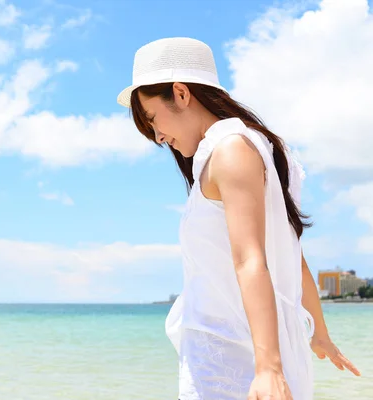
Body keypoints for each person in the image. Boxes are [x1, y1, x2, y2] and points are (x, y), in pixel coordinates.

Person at [117, 37, 360, 400]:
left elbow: (251, 260)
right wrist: (318, 333)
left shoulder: (229, 150)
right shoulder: (258, 148)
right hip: (241, 356)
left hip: (231, 362)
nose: (158, 136)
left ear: (181, 94)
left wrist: (268, 368)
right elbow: (291, 253)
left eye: (153, 119)